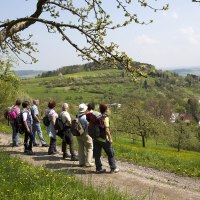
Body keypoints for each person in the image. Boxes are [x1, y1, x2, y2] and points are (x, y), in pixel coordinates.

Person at [93, 104, 119, 173]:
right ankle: (113, 168)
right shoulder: (105, 118)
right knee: (111, 153)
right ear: (106, 110)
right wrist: (110, 138)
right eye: (108, 108)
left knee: (97, 155)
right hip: (104, 139)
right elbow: (107, 130)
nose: (108, 109)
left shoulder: (97, 116)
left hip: (96, 138)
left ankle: (98, 169)